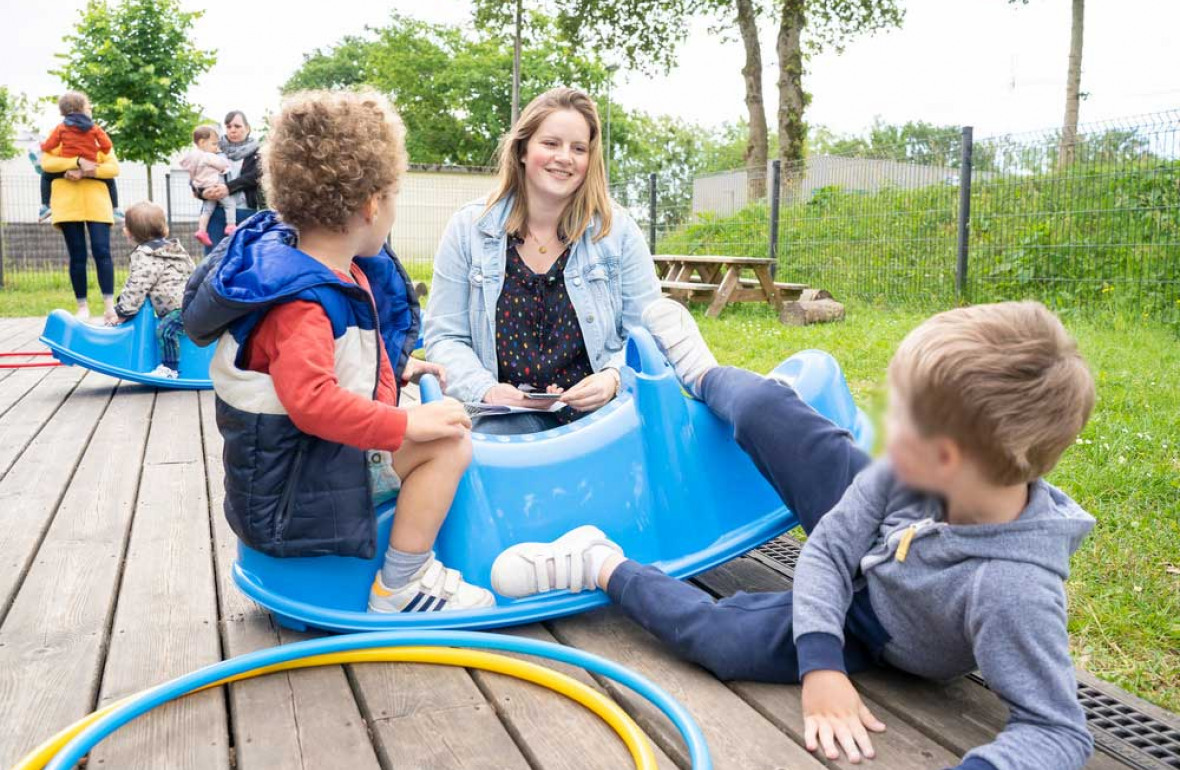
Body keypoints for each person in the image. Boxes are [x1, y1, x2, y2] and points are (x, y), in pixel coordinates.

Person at [491, 298, 1098, 770]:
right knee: (767, 411)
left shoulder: (1014, 589)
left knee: (721, 641)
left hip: (877, 630)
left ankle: (599, 563)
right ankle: (706, 377)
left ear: (946, 456)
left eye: (902, 417)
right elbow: (831, 550)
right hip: (875, 540)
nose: (885, 423)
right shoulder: (907, 473)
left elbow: (1057, 729)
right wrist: (820, 665)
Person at [183, 89, 493, 614]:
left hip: (303, 467)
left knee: (427, 419)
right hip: (293, 494)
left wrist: (403, 368)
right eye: (395, 198)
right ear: (371, 203)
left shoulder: (324, 269)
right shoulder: (304, 302)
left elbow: (339, 360)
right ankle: (403, 584)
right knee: (450, 444)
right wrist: (406, 428)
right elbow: (313, 402)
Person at [426, 87, 660, 435]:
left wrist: (613, 378)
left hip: (601, 419)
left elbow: (651, 333)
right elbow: (445, 337)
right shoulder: (468, 229)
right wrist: (485, 389)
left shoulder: (618, 231)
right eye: (551, 144)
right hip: (503, 418)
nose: (565, 157)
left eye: (578, 149)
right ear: (522, 150)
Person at [40, 91, 121, 324]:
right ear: (79, 108)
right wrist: (76, 161)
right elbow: (47, 162)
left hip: (97, 203)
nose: (91, 109)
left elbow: (113, 167)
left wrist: (87, 170)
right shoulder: (59, 133)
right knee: (77, 255)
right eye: (88, 106)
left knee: (102, 251)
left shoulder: (96, 134)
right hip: (68, 204)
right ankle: (82, 307)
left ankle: (108, 307)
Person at [110, 201, 196, 378]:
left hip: (184, 308)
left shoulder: (146, 255)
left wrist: (123, 311)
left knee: (166, 329)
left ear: (129, 232)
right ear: (164, 228)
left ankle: (170, 369)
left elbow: (137, 285)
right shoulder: (174, 248)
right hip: (191, 303)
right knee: (164, 325)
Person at [36, 91, 122, 223]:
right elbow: (107, 145)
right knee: (110, 180)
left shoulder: (60, 128)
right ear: (82, 108)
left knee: (46, 176)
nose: (91, 109)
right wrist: (102, 150)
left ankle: (45, 206)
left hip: (67, 166)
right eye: (89, 107)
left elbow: (50, 147)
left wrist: (43, 147)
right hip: (92, 162)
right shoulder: (94, 128)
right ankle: (115, 208)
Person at [195, 110, 263, 253]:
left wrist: (228, 188)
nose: (232, 130)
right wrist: (202, 193)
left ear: (248, 128)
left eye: (237, 126)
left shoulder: (259, 153)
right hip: (216, 214)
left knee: (245, 259)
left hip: (246, 213)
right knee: (213, 261)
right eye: (229, 126)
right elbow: (197, 175)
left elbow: (256, 176)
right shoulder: (213, 149)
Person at [179, 126, 235, 247]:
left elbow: (187, 170)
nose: (216, 147)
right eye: (214, 144)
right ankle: (231, 225)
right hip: (215, 186)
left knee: (207, 210)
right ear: (202, 142)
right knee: (229, 204)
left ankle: (202, 230)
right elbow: (222, 164)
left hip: (203, 188)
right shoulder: (207, 156)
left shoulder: (191, 157)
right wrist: (225, 164)